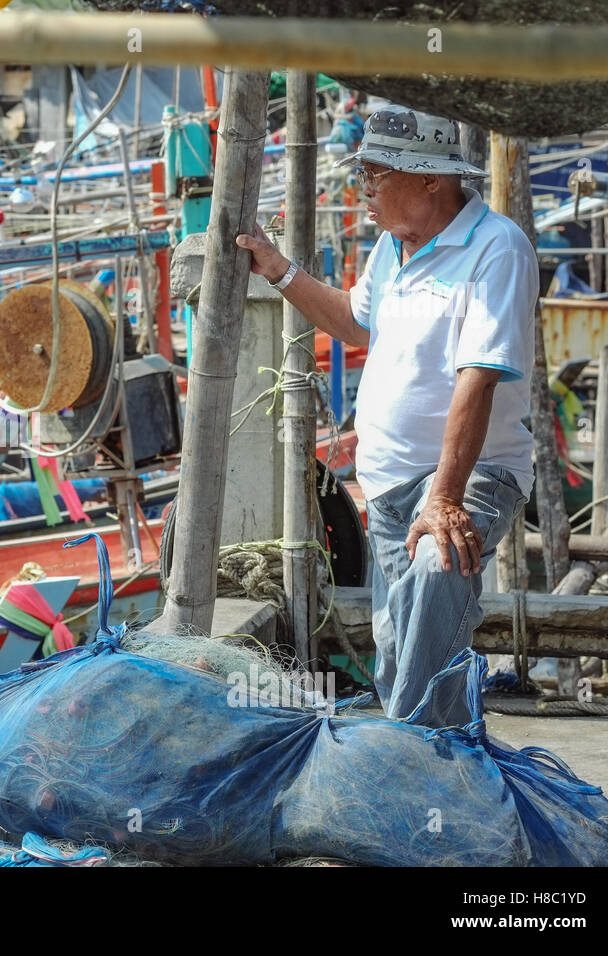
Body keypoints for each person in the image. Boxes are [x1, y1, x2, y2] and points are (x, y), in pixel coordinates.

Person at [236, 106, 537, 727]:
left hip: (467, 476)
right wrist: (280, 270)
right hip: (391, 489)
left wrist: (445, 499)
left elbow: (477, 379)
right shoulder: (391, 248)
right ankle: (442, 770)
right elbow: (352, 319)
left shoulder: (496, 246)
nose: (363, 188)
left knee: (438, 573)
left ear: (431, 179)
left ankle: (401, 754)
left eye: (376, 174)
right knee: (402, 651)